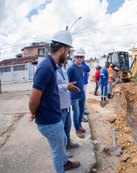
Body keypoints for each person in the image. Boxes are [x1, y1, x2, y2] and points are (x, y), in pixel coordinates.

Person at [28, 30, 80, 172]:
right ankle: (62, 167)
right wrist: (33, 112)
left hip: (54, 117)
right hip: (49, 121)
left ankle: (65, 162)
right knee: (57, 153)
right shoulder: (45, 67)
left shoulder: (52, 65)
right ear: (62, 49)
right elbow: (33, 100)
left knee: (62, 141)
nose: (68, 55)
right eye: (67, 51)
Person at [56, 62, 80, 150]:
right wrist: (66, 86)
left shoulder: (62, 69)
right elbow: (51, 88)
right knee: (60, 131)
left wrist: (69, 86)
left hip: (67, 105)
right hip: (59, 106)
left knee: (67, 127)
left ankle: (68, 143)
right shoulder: (51, 70)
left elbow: (66, 84)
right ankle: (62, 150)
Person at [67, 48, 87, 139]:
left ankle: (79, 125)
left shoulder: (83, 68)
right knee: (76, 112)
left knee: (82, 111)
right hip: (74, 95)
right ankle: (77, 129)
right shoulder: (71, 69)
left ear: (83, 58)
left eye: (81, 57)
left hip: (82, 94)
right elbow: (67, 82)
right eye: (77, 57)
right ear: (74, 58)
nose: (79, 58)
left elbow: (83, 78)